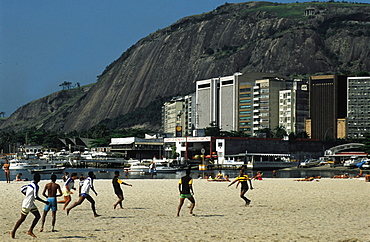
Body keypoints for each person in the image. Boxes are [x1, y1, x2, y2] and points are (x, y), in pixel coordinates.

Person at [10, 173, 49, 239]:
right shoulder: (36, 186)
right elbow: (36, 196)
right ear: (38, 179)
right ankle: (13, 231)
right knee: (22, 218)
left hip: (30, 203)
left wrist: (27, 195)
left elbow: (22, 189)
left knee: (37, 216)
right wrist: (44, 201)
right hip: (27, 204)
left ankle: (30, 230)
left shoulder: (30, 184)